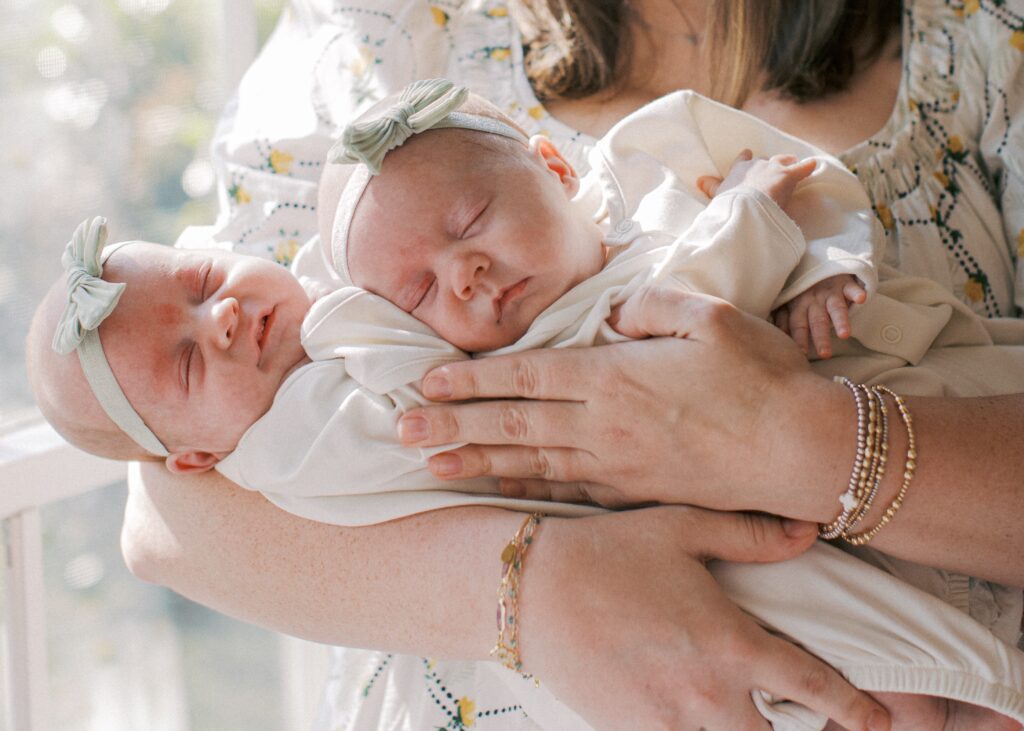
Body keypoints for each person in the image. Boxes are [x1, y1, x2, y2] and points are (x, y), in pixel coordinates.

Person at [120, 0, 1024, 729]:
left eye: (473, 223)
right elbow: (165, 494)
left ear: (553, 170)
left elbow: (729, 265)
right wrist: (541, 587)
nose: (463, 277)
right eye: (417, 290)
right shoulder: (378, 35)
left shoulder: (979, 35)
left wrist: (796, 439)